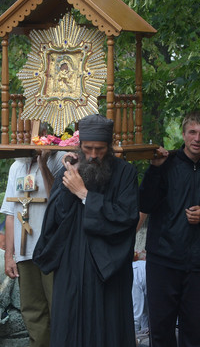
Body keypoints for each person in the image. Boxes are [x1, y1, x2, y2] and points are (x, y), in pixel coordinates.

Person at [33, 114, 140, 347]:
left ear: (109, 147)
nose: (93, 155)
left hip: (107, 273)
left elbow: (126, 219)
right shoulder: (70, 171)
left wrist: (84, 195)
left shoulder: (126, 174)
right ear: (80, 146)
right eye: (88, 148)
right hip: (72, 267)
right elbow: (54, 220)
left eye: (99, 149)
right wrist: (69, 186)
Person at [140, 111, 200, 347]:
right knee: (161, 333)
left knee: (196, 334)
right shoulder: (165, 163)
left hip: (197, 267)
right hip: (162, 261)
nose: (197, 139)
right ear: (183, 134)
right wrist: (155, 169)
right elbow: (145, 204)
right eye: (192, 132)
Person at [0, 124, 66, 347]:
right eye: (25, 136)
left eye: (35, 136)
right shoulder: (16, 167)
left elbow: (58, 198)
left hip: (50, 249)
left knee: (58, 306)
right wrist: (10, 255)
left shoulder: (60, 159)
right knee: (32, 310)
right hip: (24, 251)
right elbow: (9, 214)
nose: (28, 140)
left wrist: (43, 163)